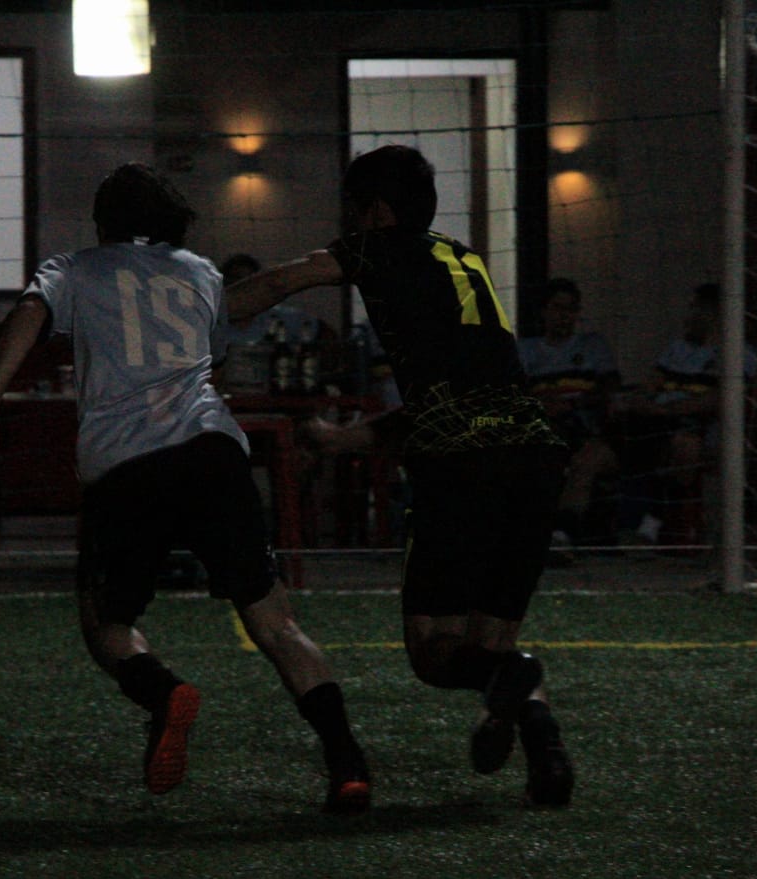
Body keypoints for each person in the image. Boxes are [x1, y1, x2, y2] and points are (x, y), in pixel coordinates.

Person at [0, 162, 370, 812]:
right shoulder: (199, 271)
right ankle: (347, 763)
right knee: (276, 624)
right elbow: (223, 340)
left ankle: (163, 692)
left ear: (103, 221)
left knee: (106, 623)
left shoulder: (73, 269)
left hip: (127, 465)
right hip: (212, 453)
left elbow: (30, 311)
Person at [224, 143, 575, 806]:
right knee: (493, 643)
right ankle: (546, 752)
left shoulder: (379, 248)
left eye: (352, 211)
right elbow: (455, 395)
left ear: (376, 211)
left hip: (461, 467)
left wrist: (188, 312)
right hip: (533, 456)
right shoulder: (464, 258)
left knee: (433, 651)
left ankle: (516, 686)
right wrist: (341, 439)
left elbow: (281, 282)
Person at [617, 282, 757, 545]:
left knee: (685, 444)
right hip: (655, 421)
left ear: (712, 313)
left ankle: (653, 522)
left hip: (698, 427)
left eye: (694, 308)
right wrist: (639, 401)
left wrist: (664, 410)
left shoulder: (739, 354)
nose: (688, 315)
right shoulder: (677, 349)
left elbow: (716, 400)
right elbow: (649, 386)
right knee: (609, 440)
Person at [517, 277, 621, 548]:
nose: (564, 316)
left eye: (571, 309)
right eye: (557, 308)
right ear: (543, 311)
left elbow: (610, 388)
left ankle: (563, 534)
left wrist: (575, 405)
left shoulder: (592, 346)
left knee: (585, 461)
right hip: (541, 429)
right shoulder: (525, 351)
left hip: (586, 430)